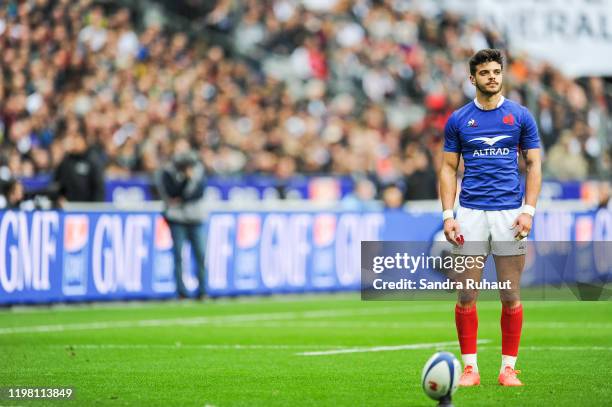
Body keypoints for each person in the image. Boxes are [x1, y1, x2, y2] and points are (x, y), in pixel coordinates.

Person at [439, 49, 542, 387]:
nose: (492, 77)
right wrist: (448, 215)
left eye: (497, 71)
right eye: (485, 73)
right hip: (469, 213)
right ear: (473, 78)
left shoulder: (520, 116)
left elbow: (534, 165)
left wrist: (528, 211)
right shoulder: (458, 120)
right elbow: (448, 168)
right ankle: (470, 368)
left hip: (510, 214)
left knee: (510, 295)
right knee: (467, 294)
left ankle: (508, 368)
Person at [155, 140, 207, 299]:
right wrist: (186, 181)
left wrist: (183, 194)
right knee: (178, 256)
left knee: (200, 255)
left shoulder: (197, 168)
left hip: (195, 218)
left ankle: (202, 291)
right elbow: (171, 193)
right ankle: (181, 291)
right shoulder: (167, 171)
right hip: (177, 219)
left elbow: (199, 192)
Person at [52, 131, 105, 206]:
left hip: (88, 207)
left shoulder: (92, 160)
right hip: (68, 207)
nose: (75, 143)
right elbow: (57, 182)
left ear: (84, 141)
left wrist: (96, 207)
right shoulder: (66, 160)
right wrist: (59, 197)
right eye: (73, 140)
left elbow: (99, 187)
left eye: (77, 140)